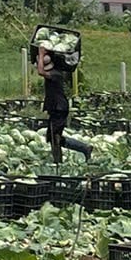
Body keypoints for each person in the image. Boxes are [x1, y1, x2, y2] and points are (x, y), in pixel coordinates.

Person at [34, 33, 92, 170]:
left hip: (59, 108)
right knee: (52, 137)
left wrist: (41, 54)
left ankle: (58, 163)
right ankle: (83, 148)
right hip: (56, 108)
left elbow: (41, 71)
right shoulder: (54, 73)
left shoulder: (55, 74)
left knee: (55, 137)